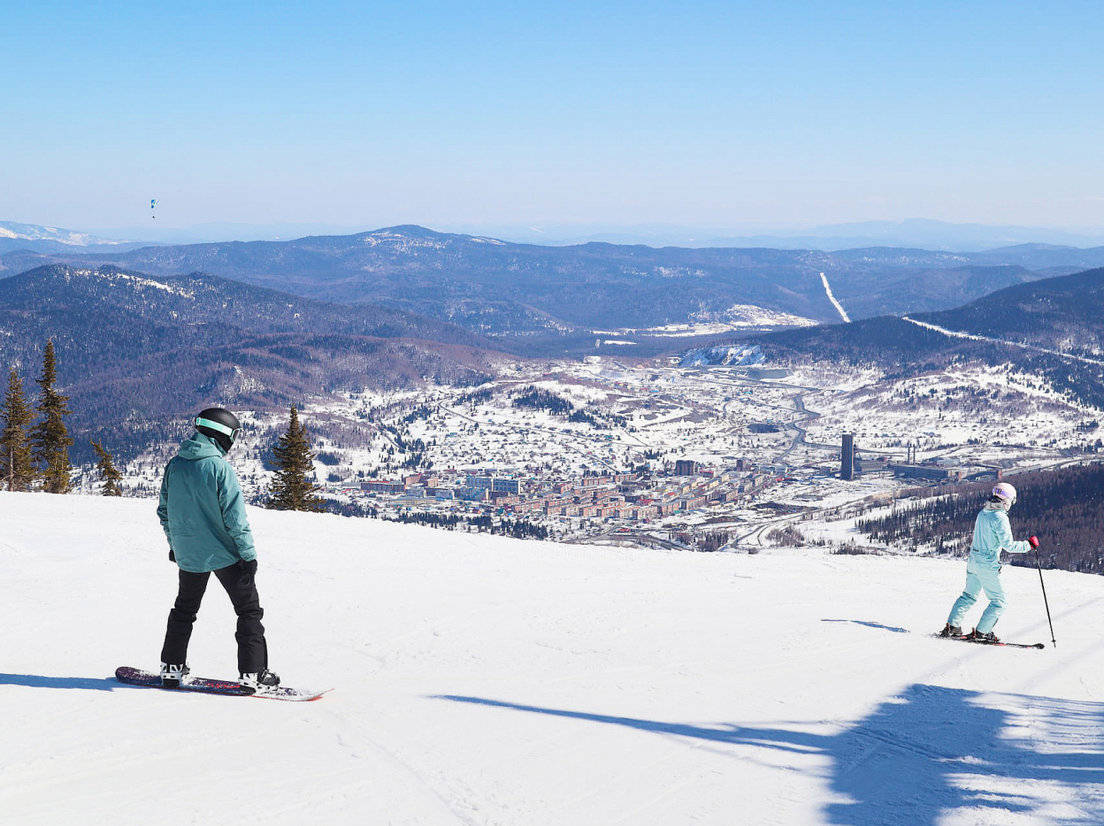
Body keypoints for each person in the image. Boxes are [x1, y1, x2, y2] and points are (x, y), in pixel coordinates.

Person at [156, 407, 280, 693]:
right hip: (225, 554)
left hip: (189, 554)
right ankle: (253, 674)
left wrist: (176, 546)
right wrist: (248, 557)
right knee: (248, 611)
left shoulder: (175, 465)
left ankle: (171, 669)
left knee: (184, 610)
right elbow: (235, 519)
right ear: (224, 435)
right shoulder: (219, 468)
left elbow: (164, 512)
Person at [939, 482, 1039, 643]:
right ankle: (982, 632)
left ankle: (953, 627)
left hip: (973, 560)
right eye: (1011, 502)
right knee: (1000, 601)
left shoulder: (983, 513)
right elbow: (1009, 546)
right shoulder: (1000, 518)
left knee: (968, 595)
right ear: (1006, 501)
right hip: (987, 563)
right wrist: (1029, 545)